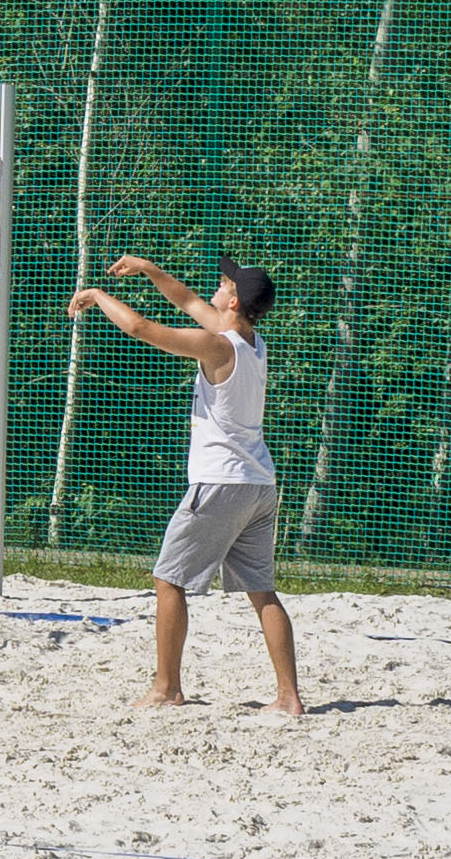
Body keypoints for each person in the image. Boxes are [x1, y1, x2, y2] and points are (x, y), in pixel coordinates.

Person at [69, 251, 301, 716]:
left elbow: (141, 330)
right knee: (262, 591)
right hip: (259, 484)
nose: (216, 286)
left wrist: (97, 295)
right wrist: (151, 269)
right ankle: (289, 698)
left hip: (221, 483)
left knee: (168, 579)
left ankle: (166, 688)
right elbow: (188, 300)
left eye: (224, 284)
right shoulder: (253, 342)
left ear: (233, 301)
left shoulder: (219, 346)